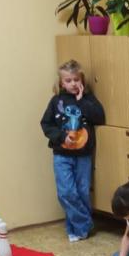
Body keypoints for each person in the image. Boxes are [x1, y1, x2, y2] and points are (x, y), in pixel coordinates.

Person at [41, 60, 105, 242]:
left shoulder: (88, 99)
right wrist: (62, 137)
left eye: (76, 79)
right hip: (62, 155)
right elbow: (46, 124)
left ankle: (76, 230)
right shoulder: (56, 101)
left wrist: (82, 101)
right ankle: (85, 224)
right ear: (61, 83)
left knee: (82, 192)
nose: (73, 84)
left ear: (81, 80)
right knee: (66, 192)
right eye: (68, 80)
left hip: (83, 155)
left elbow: (99, 117)